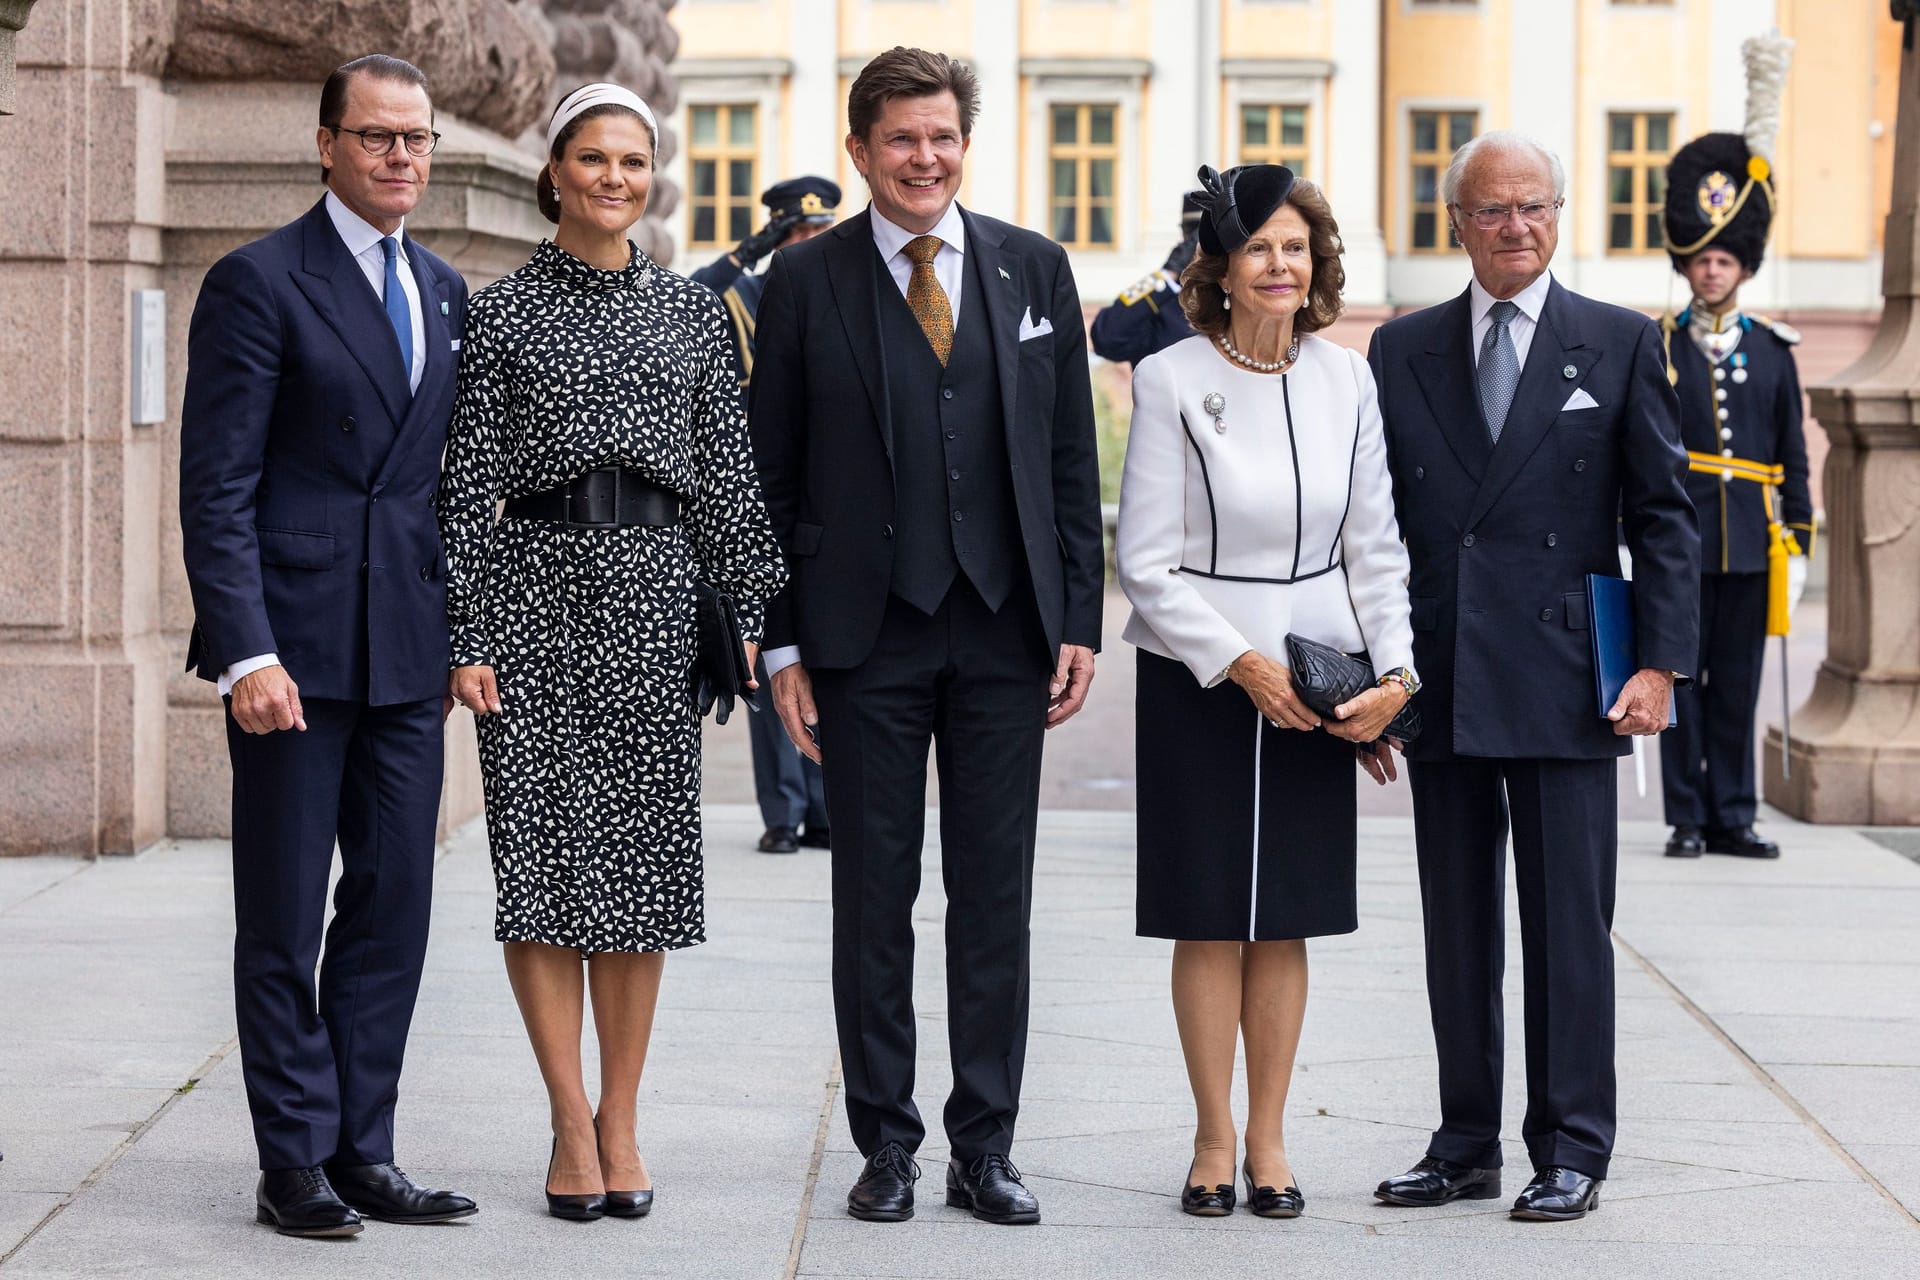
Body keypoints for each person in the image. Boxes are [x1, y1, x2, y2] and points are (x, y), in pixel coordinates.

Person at [748, 46, 1104, 1227]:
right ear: (861, 151)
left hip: (1005, 631)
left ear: (965, 142)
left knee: (995, 896)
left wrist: (1079, 619)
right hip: (865, 638)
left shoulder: (1033, 267)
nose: (925, 158)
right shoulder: (806, 285)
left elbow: (1066, 463)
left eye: (942, 135)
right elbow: (772, 476)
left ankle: (985, 1143)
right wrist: (783, 644)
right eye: (901, 138)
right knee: (873, 899)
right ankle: (887, 1142)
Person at [437, 82, 786, 1222]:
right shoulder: (501, 313)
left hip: (650, 596)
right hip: (533, 593)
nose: (615, 179)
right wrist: (468, 632)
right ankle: (566, 1115)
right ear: (554, 172)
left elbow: (730, 477)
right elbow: (464, 490)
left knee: (642, 872)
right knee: (538, 865)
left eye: (634, 162)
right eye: (594, 159)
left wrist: (757, 615)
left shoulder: (692, 313)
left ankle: (623, 1115)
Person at [1365, 131, 1698, 1222]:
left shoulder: (1615, 340)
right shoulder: (1401, 347)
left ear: (1562, 214)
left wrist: (1658, 662)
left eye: (1535, 207)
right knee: (1455, 923)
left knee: (1567, 928)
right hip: (1444, 671)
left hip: (1569, 676)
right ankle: (1465, 1139)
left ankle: (1572, 1143)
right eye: (1493, 211)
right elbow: (1379, 529)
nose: (1517, 228)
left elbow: (1662, 515)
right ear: (1455, 222)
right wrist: (1377, 675)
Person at [178, 53, 477, 1238]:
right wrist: (245, 652)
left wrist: (465, 634)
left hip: (407, 647)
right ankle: (291, 1158)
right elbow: (219, 486)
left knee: (394, 905)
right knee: (285, 911)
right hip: (291, 657)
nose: (399, 156)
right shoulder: (258, 281)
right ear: (325, 145)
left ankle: (366, 1148)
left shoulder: (446, 288)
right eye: (376, 137)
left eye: (416, 139)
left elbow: (449, 487)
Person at [1116, 164, 1417, 1220]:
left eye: (1296, 246)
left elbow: (1375, 545)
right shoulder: (1168, 377)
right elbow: (1146, 559)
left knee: (1283, 914)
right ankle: (1210, 1136)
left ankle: (1272, 1137)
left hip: (1321, 672)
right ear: (1223, 267)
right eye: (1260, 248)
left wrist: (1395, 674)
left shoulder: (1350, 379)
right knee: (1210, 915)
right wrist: (1240, 662)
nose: (1281, 264)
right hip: (1203, 673)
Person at [1656, 115, 1811, 862]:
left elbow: (1792, 457)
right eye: (1702, 260)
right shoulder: (1658, 346)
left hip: (1751, 546)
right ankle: (1686, 817)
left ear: (1743, 265)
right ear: (1685, 266)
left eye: (1725, 260)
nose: (1713, 271)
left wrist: (1802, 538)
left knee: (1737, 689)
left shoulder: (1776, 353)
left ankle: (1734, 815)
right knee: (1680, 684)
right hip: (1681, 546)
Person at [689, 176, 841, 854]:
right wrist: (745, 253)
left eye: (819, 233)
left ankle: (824, 808)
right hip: (753, 502)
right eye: (798, 234)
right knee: (763, 653)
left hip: (825, 499)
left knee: (833, 655)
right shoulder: (737, 296)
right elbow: (688, 297)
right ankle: (782, 814)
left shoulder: (842, 294)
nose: (812, 244)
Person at [1088, 192, 1202, 368]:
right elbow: (1106, 338)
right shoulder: (1160, 298)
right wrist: (1166, 276)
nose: (1200, 246)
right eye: (1193, 235)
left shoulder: (1239, 294)